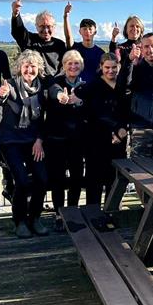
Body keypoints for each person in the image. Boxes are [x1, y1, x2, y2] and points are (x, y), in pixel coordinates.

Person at [0, 50, 49, 238]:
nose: (29, 69)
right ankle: (19, 221)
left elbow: (44, 118)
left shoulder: (42, 89)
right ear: (19, 68)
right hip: (11, 142)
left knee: (42, 179)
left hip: (33, 141)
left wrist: (39, 140)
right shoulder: (10, 85)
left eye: (33, 66)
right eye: (26, 65)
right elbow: (1, 98)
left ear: (38, 69)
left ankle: (35, 218)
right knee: (22, 181)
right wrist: (1, 94)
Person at [75, 53, 129, 206]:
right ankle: (93, 213)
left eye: (114, 67)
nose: (110, 71)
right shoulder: (92, 86)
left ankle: (111, 211)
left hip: (118, 140)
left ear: (118, 67)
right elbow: (89, 111)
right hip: (96, 140)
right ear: (101, 67)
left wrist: (122, 131)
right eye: (107, 67)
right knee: (94, 180)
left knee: (114, 180)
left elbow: (126, 112)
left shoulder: (122, 85)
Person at [44, 50, 89, 218]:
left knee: (77, 177)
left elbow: (89, 110)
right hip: (57, 140)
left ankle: (72, 211)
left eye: (76, 63)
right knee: (58, 179)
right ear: (63, 66)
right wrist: (61, 97)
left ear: (81, 66)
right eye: (69, 63)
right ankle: (59, 213)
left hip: (77, 140)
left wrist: (80, 102)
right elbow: (54, 92)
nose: (73, 66)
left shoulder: (85, 86)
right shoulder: (56, 83)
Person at [11, 0, 68, 77]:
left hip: (54, 84)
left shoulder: (60, 45)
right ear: (36, 26)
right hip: (33, 84)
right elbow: (18, 31)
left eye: (49, 26)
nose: (45, 30)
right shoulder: (29, 40)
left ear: (54, 26)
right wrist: (15, 14)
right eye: (42, 26)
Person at [63, 8, 106, 84]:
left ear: (95, 32)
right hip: (75, 87)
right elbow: (68, 37)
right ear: (80, 31)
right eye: (84, 29)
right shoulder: (75, 48)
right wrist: (66, 16)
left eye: (90, 29)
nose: (87, 31)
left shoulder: (100, 53)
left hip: (93, 89)